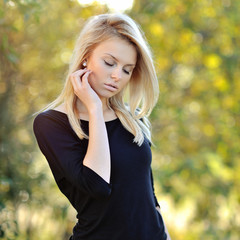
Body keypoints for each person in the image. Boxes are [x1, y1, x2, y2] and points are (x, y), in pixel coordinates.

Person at [33, 13, 171, 240]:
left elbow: (147, 193)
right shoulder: (51, 124)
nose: (117, 76)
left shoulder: (132, 118)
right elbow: (97, 185)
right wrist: (95, 109)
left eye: (127, 69)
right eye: (109, 63)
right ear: (86, 57)